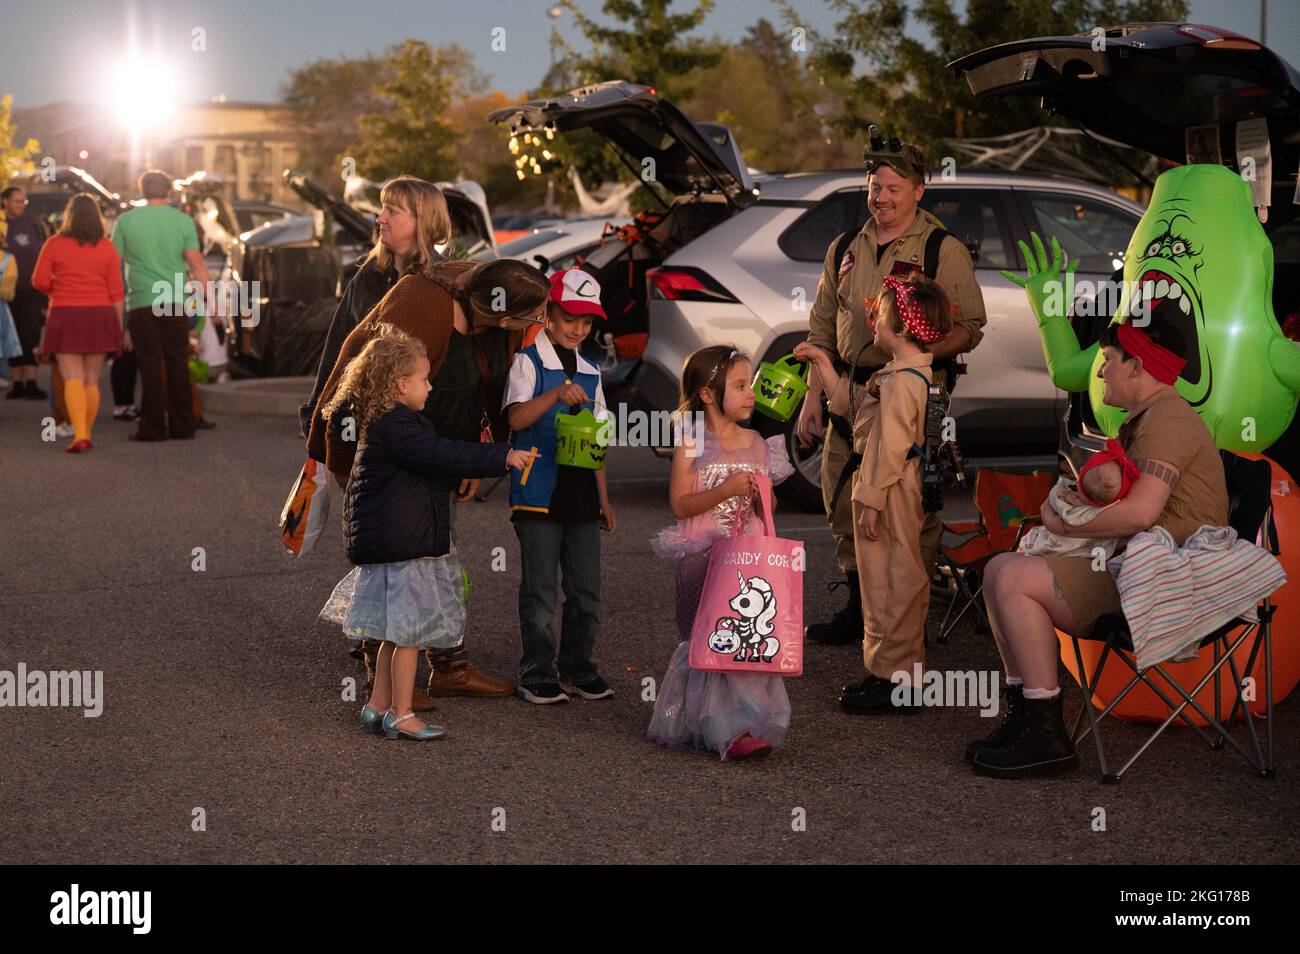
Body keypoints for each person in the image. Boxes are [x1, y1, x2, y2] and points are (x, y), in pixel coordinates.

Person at [968, 316, 1228, 778]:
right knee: (997, 571)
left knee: (1009, 576)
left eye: (1108, 360)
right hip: (1142, 566)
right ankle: (1028, 718)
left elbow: (1141, 514)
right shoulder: (1149, 416)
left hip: (1169, 584)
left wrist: (1062, 525)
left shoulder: (1167, 418)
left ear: (1138, 366)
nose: (1101, 371)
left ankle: (1046, 737)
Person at [309, 256, 551, 705]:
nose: (540, 322)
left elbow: (480, 392)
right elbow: (362, 381)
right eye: (533, 315)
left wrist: (471, 462)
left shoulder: (494, 322)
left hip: (434, 460)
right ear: (501, 314)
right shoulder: (422, 304)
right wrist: (342, 463)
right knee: (399, 573)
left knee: (441, 568)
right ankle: (380, 685)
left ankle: (447, 669)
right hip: (392, 468)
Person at [798, 139, 986, 644]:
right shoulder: (844, 247)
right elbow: (820, 329)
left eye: (894, 188)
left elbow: (970, 325)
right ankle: (864, 613)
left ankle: (905, 628)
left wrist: (915, 353)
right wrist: (812, 396)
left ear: (918, 191)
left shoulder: (939, 250)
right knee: (847, 503)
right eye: (875, 186)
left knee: (905, 515)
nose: (881, 197)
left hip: (906, 397)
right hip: (848, 396)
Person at [796, 274, 954, 714]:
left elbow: (890, 448)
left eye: (880, 317)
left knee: (892, 581)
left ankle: (896, 680)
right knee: (887, 578)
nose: (873, 324)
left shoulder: (903, 382)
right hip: (893, 485)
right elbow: (852, 405)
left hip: (890, 489)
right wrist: (823, 364)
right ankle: (888, 670)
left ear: (901, 329)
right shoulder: (902, 373)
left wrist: (870, 501)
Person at [646, 345, 794, 758]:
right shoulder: (693, 441)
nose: (752, 393)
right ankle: (724, 730)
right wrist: (725, 490)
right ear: (708, 394)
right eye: (741, 385)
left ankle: (739, 729)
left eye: (752, 384)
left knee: (747, 637)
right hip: (704, 557)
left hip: (748, 561)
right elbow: (679, 505)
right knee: (714, 638)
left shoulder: (758, 443)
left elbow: (771, 507)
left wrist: (763, 498)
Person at [503, 268, 617, 704]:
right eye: (570, 317)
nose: (578, 329)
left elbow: (598, 438)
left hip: (583, 497)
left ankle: (577, 667)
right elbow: (514, 420)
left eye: (587, 322)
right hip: (537, 494)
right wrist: (554, 395)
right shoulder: (528, 362)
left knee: (587, 593)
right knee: (540, 593)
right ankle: (535, 672)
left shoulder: (591, 371)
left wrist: (604, 499)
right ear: (548, 313)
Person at [300, 176, 449, 437]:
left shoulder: (443, 282)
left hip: (425, 433)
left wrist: (463, 445)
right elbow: (339, 345)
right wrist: (315, 413)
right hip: (362, 426)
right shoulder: (367, 275)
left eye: (392, 211)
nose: (380, 218)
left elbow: (457, 374)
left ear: (421, 220)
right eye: (382, 210)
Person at [111, 169, 209, 442]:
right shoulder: (183, 221)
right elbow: (196, 264)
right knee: (178, 362)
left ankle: (152, 428)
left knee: (150, 365)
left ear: (141, 190)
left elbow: (112, 263)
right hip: (175, 300)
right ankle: (183, 425)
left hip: (142, 301)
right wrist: (208, 302)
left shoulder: (125, 221)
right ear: (169, 192)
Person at [29, 194, 125, 452]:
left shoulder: (54, 244)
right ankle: (86, 432)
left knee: (72, 377)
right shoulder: (106, 247)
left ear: (69, 216)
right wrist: (118, 328)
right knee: (91, 380)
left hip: (65, 313)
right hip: (100, 314)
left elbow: (38, 280)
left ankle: (80, 434)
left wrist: (55, 288)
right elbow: (117, 292)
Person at [1017, 439, 1138, 558]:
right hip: (1076, 556)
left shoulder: (1065, 499)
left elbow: (1049, 503)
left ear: (1081, 472)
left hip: (1048, 546)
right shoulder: (1107, 514)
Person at [1, 186, 50, 399]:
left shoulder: (33, 224)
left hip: (33, 290)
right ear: (5, 202)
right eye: (15, 201)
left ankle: (31, 381)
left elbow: (45, 252)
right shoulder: (2, 226)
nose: (20, 205)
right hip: (7, 290)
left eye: (23, 201)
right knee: (12, 336)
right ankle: (17, 383)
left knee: (30, 334)